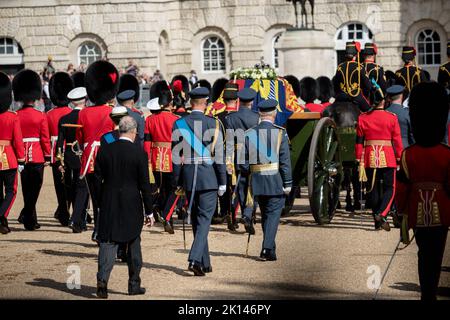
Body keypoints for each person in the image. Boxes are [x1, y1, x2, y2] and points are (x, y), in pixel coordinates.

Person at [396, 82, 450, 301]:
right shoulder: (446, 154)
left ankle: (426, 293)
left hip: (417, 211)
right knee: (437, 255)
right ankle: (432, 292)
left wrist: (401, 211)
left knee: (423, 254)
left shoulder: (409, 154)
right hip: (443, 211)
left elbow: (402, 188)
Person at [95, 116, 154, 299]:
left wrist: (99, 202)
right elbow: (145, 186)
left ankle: (102, 281)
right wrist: (149, 211)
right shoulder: (139, 154)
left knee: (107, 243)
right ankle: (134, 284)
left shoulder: (105, 151)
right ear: (134, 131)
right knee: (133, 243)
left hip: (109, 201)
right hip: (132, 203)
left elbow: (96, 179)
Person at [172, 87, 227, 276]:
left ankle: (205, 262)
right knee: (203, 220)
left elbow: (175, 157)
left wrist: (178, 181)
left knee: (197, 220)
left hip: (188, 175)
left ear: (191, 102)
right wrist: (222, 181)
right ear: (205, 103)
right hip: (209, 177)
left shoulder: (179, 123)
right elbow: (219, 156)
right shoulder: (215, 123)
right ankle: (195, 259)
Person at [240, 99, 292, 261]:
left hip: (256, 181)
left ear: (260, 114)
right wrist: (288, 182)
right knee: (273, 216)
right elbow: (285, 161)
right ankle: (266, 248)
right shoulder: (280, 133)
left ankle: (271, 250)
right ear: (274, 114)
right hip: (275, 180)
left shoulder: (249, 133)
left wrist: (252, 172)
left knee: (266, 215)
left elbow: (242, 162)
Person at [70, 60, 117, 237]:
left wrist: (91, 143)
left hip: (89, 157)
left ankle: (97, 229)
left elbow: (80, 138)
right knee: (107, 196)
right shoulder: (112, 112)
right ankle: (103, 229)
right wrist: (105, 143)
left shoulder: (83, 113)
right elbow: (115, 136)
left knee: (96, 198)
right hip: (106, 157)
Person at [355, 81, 403, 231]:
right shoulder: (391, 117)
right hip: (388, 156)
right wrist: (399, 157)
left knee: (372, 190)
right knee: (391, 188)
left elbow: (359, 142)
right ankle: (381, 214)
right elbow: (397, 140)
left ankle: (376, 222)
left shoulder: (363, 118)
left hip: (369, 157)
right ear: (384, 101)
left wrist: (358, 158)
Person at [13, 69, 51, 231]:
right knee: (35, 187)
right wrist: (48, 155)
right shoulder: (40, 115)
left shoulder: (16, 115)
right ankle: (29, 217)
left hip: (21, 155)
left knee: (27, 188)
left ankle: (29, 218)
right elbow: (44, 138)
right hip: (37, 155)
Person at [144, 81, 179, 232]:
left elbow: (147, 142)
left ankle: (159, 209)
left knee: (161, 187)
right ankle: (167, 215)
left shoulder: (150, 119)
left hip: (155, 157)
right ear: (170, 103)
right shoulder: (177, 119)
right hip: (172, 158)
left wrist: (148, 159)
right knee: (173, 188)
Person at [224, 87, 260, 232]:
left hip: (238, 156)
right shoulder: (257, 117)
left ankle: (245, 214)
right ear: (251, 101)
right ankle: (247, 214)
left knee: (241, 187)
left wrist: (228, 160)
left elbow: (229, 142)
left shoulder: (230, 118)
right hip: (254, 155)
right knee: (254, 188)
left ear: (239, 100)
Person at [56, 87, 89, 229]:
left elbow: (59, 142)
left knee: (72, 186)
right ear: (85, 100)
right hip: (83, 154)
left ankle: (77, 219)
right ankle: (79, 218)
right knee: (83, 188)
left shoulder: (64, 118)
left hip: (69, 154)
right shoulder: (87, 116)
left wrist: (60, 160)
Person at [47, 72, 74, 226]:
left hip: (55, 152)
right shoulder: (72, 113)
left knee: (59, 183)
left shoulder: (49, 114)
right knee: (71, 182)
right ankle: (69, 208)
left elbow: (46, 135)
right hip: (70, 149)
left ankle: (63, 210)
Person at [0, 72, 25, 234]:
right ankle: (1, 215)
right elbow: (17, 140)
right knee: (11, 191)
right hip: (8, 156)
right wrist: (21, 159)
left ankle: (3, 224)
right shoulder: (12, 117)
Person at [211, 82, 238, 226]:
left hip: (222, 155)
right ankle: (232, 214)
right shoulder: (240, 116)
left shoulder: (217, 118)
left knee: (223, 184)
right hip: (239, 155)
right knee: (237, 186)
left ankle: (224, 212)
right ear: (237, 100)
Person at [333, 41, 372, 112]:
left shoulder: (340, 67)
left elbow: (336, 86)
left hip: (341, 97)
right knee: (370, 112)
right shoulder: (359, 67)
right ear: (355, 55)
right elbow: (368, 86)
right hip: (356, 96)